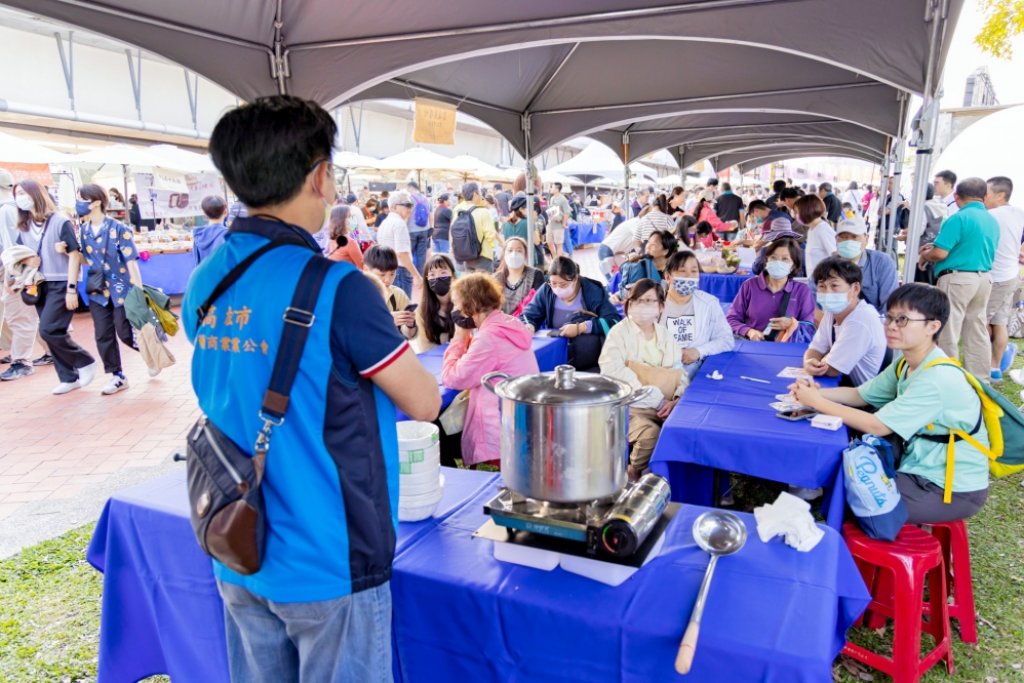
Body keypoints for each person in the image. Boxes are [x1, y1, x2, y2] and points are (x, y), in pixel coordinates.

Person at [182, 95, 439, 683]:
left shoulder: (207, 278)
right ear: (320, 176)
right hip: (329, 556)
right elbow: (423, 402)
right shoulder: (341, 288)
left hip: (238, 540)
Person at [791, 284, 988, 524]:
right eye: (890, 318)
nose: (892, 326)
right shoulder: (906, 363)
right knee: (845, 485)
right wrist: (815, 393)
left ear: (932, 326)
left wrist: (818, 403)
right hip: (917, 468)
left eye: (903, 320)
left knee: (852, 499)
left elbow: (877, 426)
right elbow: (860, 395)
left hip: (948, 488)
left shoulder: (936, 378)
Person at [441, 274, 539, 467]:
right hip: (521, 423)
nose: (455, 311)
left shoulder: (488, 338)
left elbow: (452, 377)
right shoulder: (509, 324)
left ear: (471, 307)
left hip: (499, 434)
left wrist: (459, 338)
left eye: (457, 305)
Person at [599, 279, 688, 480]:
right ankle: (634, 472)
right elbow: (612, 370)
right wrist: (656, 398)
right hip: (627, 408)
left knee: (682, 429)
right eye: (637, 300)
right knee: (650, 435)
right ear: (629, 304)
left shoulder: (665, 336)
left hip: (664, 407)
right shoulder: (619, 334)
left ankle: (674, 482)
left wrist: (676, 400)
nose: (642, 306)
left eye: (649, 301)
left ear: (661, 307)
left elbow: (679, 372)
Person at [13, 180, 97, 393]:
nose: (19, 197)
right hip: (38, 283)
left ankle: (85, 360)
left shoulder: (60, 221)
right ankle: (68, 377)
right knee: (53, 330)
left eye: (23, 192)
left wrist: (71, 288)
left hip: (60, 281)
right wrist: (18, 277)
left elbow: (74, 255)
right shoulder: (23, 227)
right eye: (16, 194)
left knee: (48, 329)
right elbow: (19, 257)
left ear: (35, 193)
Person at [919, 177, 999, 380]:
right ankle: (981, 379)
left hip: (957, 279)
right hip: (983, 278)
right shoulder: (992, 220)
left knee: (948, 330)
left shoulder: (958, 218)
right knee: (977, 330)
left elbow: (940, 253)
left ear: (956, 196)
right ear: (985, 196)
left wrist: (926, 255)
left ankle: (949, 378)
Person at [77, 184, 143, 395]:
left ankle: (151, 352)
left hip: (121, 288)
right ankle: (117, 375)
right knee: (102, 334)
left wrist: (139, 291)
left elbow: (131, 260)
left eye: (81, 199)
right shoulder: (84, 230)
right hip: (97, 290)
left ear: (95, 202)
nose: (78, 203)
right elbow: (87, 260)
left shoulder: (118, 228)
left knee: (125, 332)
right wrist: (66, 251)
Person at [521, 256, 621, 371]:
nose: (557, 288)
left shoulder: (592, 291)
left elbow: (614, 321)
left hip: (590, 360)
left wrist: (582, 327)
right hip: (557, 355)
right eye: (553, 283)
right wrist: (528, 325)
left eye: (563, 284)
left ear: (575, 279)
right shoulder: (547, 290)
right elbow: (528, 315)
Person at [803, 257, 887, 386]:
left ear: (855, 289)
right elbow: (816, 348)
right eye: (822, 286)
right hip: (843, 385)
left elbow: (831, 369)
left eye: (834, 285)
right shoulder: (832, 312)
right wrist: (809, 362)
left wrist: (815, 363)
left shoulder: (861, 320)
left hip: (859, 398)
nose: (827, 292)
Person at [0, 168, 45, 380]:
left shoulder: (6, 209)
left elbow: (12, 249)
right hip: (22, 271)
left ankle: (21, 361)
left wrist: (13, 275)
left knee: (20, 316)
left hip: (17, 272)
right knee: (27, 316)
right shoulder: (15, 208)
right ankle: (53, 351)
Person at [660, 251, 734, 377]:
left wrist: (699, 351)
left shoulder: (709, 303)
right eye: (682, 271)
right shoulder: (654, 303)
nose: (689, 276)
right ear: (668, 277)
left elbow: (726, 340)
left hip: (694, 374)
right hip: (659, 371)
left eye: (694, 271)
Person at [727, 238, 815, 342]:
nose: (778, 263)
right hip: (752, 345)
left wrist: (791, 324)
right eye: (773, 258)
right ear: (766, 261)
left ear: (793, 266)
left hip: (786, 349)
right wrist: (748, 331)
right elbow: (731, 319)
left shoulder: (802, 291)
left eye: (785, 259)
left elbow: (809, 328)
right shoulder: (750, 286)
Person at [984, 176, 1024, 380]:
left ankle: (982, 366)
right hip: (1011, 274)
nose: (984, 197)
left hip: (996, 277)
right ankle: (995, 368)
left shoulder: (990, 215)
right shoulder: (1020, 213)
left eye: (987, 192)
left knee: (980, 322)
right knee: (1000, 322)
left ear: (1000, 195)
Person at [834, 216, 898, 313]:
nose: (848, 241)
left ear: (866, 239)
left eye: (854, 237)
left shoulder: (882, 263)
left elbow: (889, 306)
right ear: (836, 240)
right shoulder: (827, 267)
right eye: (843, 237)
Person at [363, 245, 417, 342]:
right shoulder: (354, 296)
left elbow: (410, 335)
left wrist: (410, 325)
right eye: (382, 275)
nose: (388, 280)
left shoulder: (398, 294)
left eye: (392, 274)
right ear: (366, 270)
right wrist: (386, 321)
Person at [376, 190, 420, 296]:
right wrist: (416, 275)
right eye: (407, 205)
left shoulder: (385, 223)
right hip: (399, 271)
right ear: (395, 206)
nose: (410, 209)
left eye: (411, 205)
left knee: (395, 306)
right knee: (404, 309)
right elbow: (402, 254)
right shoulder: (399, 224)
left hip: (388, 270)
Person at [451, 182, 498, 273]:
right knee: (484, 286)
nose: (481, 196)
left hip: (467, 257)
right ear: (475, 194)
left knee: (471, 286)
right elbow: (490, 236)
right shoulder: (484, 212)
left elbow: (452, 232)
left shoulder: (459, 211)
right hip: (483, 257)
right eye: (480, 193)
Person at [414, 253, 457, 352]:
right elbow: (425, 348)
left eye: (443, 273)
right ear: (427, 280)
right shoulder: (421, 311)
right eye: (432, 274)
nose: (437, 277)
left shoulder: (465, 305)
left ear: (453, 276)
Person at [617, 229, 678, 298]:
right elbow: (625, 291)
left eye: (653, 245)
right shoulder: (638, 266)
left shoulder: (673, 274)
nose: (647, 246)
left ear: (665, 251)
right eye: (648, 242)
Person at [493, 236, 544, 316]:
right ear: (504, 254)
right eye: (510, 250)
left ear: (525, 255)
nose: (514, 254)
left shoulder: (536, 275)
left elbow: (539, 304)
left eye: (519, 251)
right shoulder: (495, 278)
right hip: (500, 324)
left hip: (526, 323)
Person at [797, 193, 836, 277]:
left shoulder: (822, 229)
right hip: (815, 281)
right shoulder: (812, 229)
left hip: (824, 282)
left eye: (797, 212)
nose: (796, 216)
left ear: (806, 211)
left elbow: (836, 255)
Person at [194, 195, 229, 265]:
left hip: (204, 275)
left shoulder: (198, 235)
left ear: (204, 214)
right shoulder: (228, 235)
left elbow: (197, 262)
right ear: (225, 211)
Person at [326, 205, 364, 269]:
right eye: (349, 217)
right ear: (341, 220)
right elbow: (363, 267)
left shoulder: (331, 239)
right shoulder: (350, 243)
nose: (352, 219)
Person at [405, 181, 431, 275]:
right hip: (424, 229)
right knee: (421, 255)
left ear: (410, 187)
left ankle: (410, 274)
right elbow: (429, 214)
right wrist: (430, 228)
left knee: (409, 253)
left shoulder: (409, 198)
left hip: (411, 230)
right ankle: (420, 274)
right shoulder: (425, 199)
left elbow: (407, 213)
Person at [546, 182, 572, 259]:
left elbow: (567, 212)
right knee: (549, 243)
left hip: (558, 226)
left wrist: (564, 224)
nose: (551, 189)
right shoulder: (552, 198)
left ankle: (558, 262)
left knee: (559, 244)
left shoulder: (563, 199)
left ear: (557, 189)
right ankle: (555, 258)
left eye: (552, 187)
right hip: (550, 224)